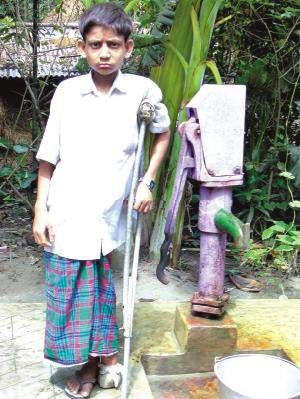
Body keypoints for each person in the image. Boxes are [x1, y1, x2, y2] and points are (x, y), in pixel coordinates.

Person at [32, 3, 170, 398]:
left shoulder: (143, 90)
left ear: (128, 47)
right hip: (69, 208)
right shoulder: (68, 92)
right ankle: (95, 361)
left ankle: (100, 361)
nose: (104, 53)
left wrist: (147, 181)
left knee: (105, 290)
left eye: (113, 44)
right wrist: (40, 209)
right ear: (83, 48)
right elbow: (49, 155)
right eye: (96, 45)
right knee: (71, 290)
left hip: (114, 212)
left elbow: (162, 133)